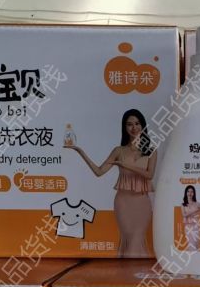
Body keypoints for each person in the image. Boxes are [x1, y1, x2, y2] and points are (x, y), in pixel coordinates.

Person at [66, 109, 156, 257]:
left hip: (142, 202)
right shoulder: (118, 151)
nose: (134, 127)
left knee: (137, 238)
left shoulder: (151, 151)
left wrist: (125, 165)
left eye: (137, 123)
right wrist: (80, 152)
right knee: (129, 238)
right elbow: (99, 171)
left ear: (143, 125)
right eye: (129, 124)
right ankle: (129, 270)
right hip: (123, 202)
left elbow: (149, 174)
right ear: (124, 127)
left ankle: (133, 270)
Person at [181, 185, 200, 250]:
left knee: (197, 245)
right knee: (191, 245)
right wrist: (195, 210)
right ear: (186, 193)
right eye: (188, 191)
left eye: (192, 192)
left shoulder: (197, 204)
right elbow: (184, 215)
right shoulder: (183, 204)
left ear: (194, 193)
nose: (190, 193)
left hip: (196, 227)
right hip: (188, 227)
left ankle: (197, 256)